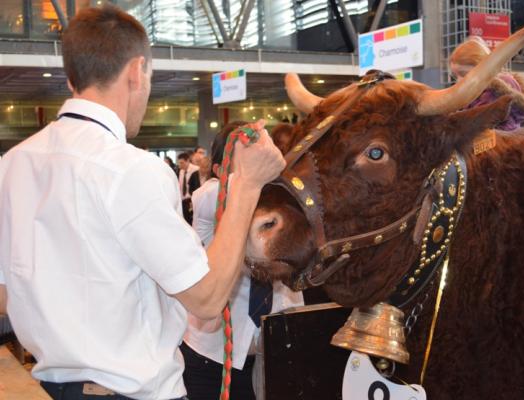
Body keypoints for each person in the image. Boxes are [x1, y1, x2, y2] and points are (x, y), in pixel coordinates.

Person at [0, 6, 285, 400]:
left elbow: (4, 294)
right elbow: (206, 298)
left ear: (71, 78)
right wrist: (249, 185)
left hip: (47, 387)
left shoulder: (12, 164)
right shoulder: (131, 170)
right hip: (131, 393)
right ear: (137, 71)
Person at [182, 121, 303, 400]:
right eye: (247, 157)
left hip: (275, 356)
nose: (260, 163)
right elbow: (243, 191)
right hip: (212, 359)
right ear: (217, 171)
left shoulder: (282, 198)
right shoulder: (208, 197)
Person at [449, 36, 524, 131]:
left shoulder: (499, 86)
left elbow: (480, 121)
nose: (459, 80)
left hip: (503, 140)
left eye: (464, 74)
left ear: (483, 68)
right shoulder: (470, 92)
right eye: (456, 75)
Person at [177, 152, 198, 224]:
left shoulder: (196, 170)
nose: (180, 165)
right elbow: (180, 186)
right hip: (183, 200)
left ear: (188, 161)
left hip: (191, 199)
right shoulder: (181, 171)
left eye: (182, 163)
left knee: (192, 221)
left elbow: (197, 187)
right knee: (185, 221)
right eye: (179, 163)